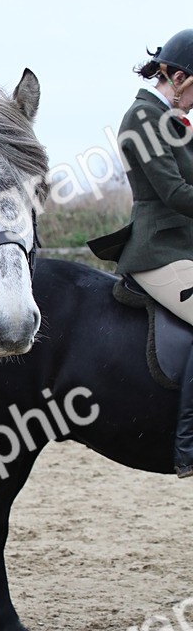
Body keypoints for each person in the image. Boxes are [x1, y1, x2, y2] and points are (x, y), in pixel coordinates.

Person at [113, 29, 193, 475]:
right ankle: (189, 442)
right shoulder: (143, 118)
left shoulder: (171, 119)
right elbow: (175, 192)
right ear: (179, 77)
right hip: (160, 251)